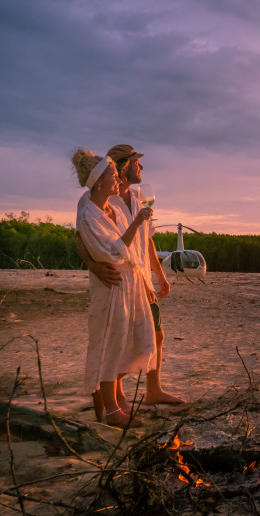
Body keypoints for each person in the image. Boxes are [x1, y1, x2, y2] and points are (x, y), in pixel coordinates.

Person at [76, 145, 183, 408]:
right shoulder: (103, 198)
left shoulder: (135, 197)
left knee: (155, 335)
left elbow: (147, 241)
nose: (142, 167)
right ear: (124, 165)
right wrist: (93, 265)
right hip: (118, 279)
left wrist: (159, 275)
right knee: (121, 338)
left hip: (141, 278)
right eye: (137, 162)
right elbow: (80, 236)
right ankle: (115, 396)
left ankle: (153, 390)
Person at [72, 149, 155, 427]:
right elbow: (116, 250)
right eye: (113, 174)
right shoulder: (88, 212)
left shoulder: (115, 205)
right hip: (111, 285)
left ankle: (116, 404)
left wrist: (146, 280)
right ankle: (108, 410)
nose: (118, 178)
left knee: (122, 343)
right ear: (98, 181)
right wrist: (138, 221)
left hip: (129, 282)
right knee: (107, 343)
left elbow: (137, 248)